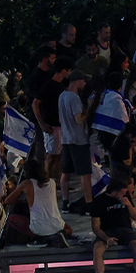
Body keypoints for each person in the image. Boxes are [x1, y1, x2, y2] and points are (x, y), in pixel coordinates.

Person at [90, 179, 136, 273]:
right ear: (114, 192)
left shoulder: (125, 198)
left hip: (125, 230)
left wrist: (128, 204)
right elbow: (95, 227)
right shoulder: (99, 201)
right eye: (122, 193)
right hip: (107, 231)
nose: (124, 194)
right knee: (97, 249)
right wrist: (106, 239)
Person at [57, 69, 93, 214]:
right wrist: (89, 108)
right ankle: (89, 204)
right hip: (78, 139)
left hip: (66, 139)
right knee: (85, 174)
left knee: (65, 172)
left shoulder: (62, 96)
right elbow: (79, 119)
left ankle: (65, 203)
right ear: (77, 81)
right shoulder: (74, 98)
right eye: (83, 81)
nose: (85, 84)